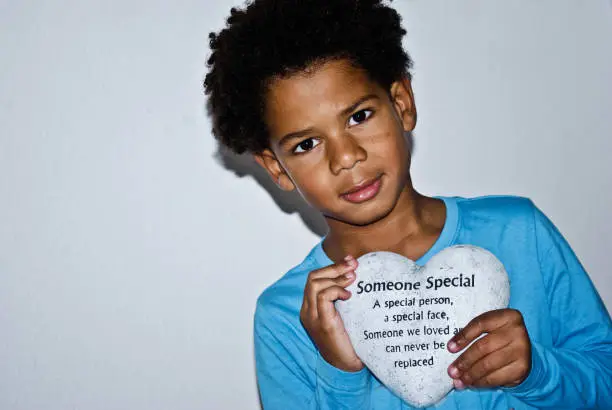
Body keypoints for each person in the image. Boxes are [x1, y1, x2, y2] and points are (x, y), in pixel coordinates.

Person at [203, 1, 612, 408]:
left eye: (359, 116)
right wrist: (340, 374)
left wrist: (538, 371)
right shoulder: (287, 316)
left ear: (402, 104)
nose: (345, 157)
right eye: (307, 144)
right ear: (276, 167)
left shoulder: (521, 231)